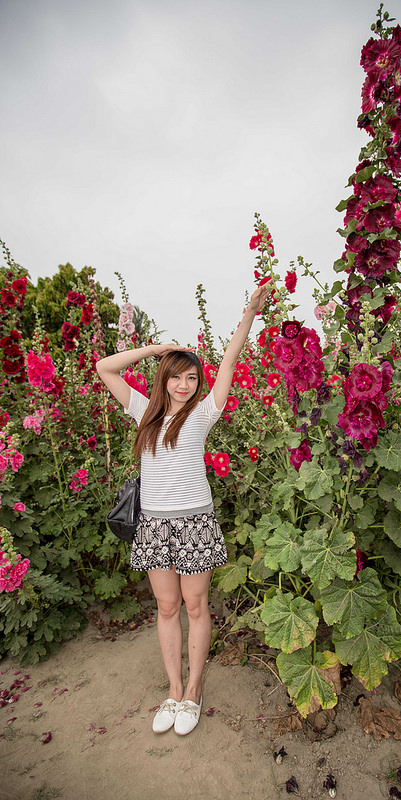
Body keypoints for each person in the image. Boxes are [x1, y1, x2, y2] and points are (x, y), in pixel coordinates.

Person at [96, 280, 271, 735]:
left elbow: (229, 358)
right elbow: (105, 367)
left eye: (191, 378)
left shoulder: (204, 412)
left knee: (195, 607)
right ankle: (173, 691)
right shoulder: (144, 412)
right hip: (154, 525)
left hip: (194, 523)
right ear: (164, 379)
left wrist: (250, 312)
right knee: (167, 607)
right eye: (176, 376)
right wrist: (157, 349)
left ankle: (193, 690)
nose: (184, 384)